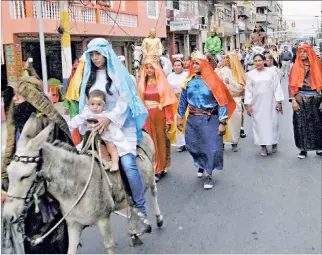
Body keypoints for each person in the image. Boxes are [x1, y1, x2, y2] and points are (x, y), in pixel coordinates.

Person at [78, 38, 151, 234]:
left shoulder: (120, 75)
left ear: (106, 54)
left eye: (98, 53)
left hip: (120, 126)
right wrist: (88, 120)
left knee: (128, 165)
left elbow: (125, 101)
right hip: (95, 128)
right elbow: (86, 104)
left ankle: (140, 211)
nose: (95, 58)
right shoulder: (88, 78)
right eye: (91, 54)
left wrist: (109, 119)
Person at [1, 76, 71, 254]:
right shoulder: (18, 122)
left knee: (48, 237)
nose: (15, 99)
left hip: (43, 191)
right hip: (22, 189)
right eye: (14, 94)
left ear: (31, 98)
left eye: (20, 95)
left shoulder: (45, 123)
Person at [176, 52, 236, 190]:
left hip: (211, 119)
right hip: (193, 120)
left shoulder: (214, 81)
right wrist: (179, 117)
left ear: (204, 64)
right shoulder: (188, 81)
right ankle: (201, 164)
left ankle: (209, 174)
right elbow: (183, 101)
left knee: (211, 147)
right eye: (193, 63)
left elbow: (222, 102)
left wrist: (222, 122)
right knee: (194, 146)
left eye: (197, 63)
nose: (194, 65)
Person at [137, 56, 177, 182]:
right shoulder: (141, 83)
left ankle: (159, 168)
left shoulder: (162, 82)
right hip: (146, 116)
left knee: (160, 141)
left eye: (151, 68)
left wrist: (169, 119)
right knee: (148, 141)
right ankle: (150, 167)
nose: (149, 70)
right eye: (147, 67)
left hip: (159, 115)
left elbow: (167, 102)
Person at [69, 90, 120, 171]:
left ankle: (114, 163)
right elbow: (75, 121)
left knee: (112, 147)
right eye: (92, 104)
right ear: (88, 105)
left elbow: (112, 126)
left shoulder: (105, 115)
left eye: (99, 104)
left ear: (103, 106)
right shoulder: (86, 114)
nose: (95, 107)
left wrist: (107, 126)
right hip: (90, 136)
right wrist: (69, 126)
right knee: (79, 148)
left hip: (104, 136)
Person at [245, 54, 284, 156]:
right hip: (257, 104)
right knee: (259, 125)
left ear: (264, 61)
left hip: (271, 102)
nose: (258, 63)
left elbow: (277, 87)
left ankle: (274, 142)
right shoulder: (250, 74)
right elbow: (248, 91)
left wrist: (279, 102)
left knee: (273, 124)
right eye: (256, 61)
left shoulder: (271, 72)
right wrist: (248, 105)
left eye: (260, 60)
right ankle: (263, 146)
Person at [288, 44, 322, 159]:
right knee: (301, 124)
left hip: (315, 98)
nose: (302, 54)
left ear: (309, 52)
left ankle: (319, 147)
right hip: (300, 97)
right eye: (300, 52)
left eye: (304, 51)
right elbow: (292, 85)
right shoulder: (295, 66)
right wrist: (293, 100)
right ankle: (303, 149)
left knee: (317, 124)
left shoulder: (317, 65)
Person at [216, 53, 245, 152]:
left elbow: (241, 87)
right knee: (223, 121)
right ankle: (222, 142)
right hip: (223, 100)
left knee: (235, 123)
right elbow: (216, 82)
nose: (227, 61)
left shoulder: (238, 71)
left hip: (235, 99)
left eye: (229, 59)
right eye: (226, 59)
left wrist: (230, 83)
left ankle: (234, 142)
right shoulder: (222, 70)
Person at [167, 59, 189, 152]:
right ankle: (181, 143)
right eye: (175, 65)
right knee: (176, 121)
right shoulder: (170, 76)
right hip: (173, 101)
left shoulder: (186, 75)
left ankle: (189, 141)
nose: (176, 67)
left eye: (178, 65)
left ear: (182, 67)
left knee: (185, 120)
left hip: (185, 101)